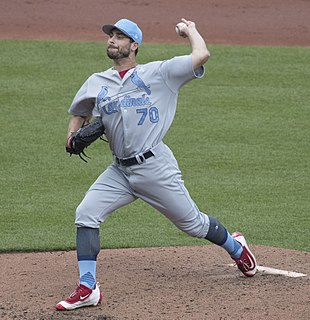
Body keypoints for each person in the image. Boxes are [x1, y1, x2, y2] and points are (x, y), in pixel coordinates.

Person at [56, 18, 257, 311]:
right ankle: (88, 287)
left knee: (194, 225)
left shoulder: (160, 73)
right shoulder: (97, 82)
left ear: (134, 45)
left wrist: (191, 31)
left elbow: (201, 56)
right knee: (86, 213)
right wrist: (71, 137)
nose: (112, 40)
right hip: (119, 171)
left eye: (120, 36)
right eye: (111, 35)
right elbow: (80, 110)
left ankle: (236, 247)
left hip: (155, 168)